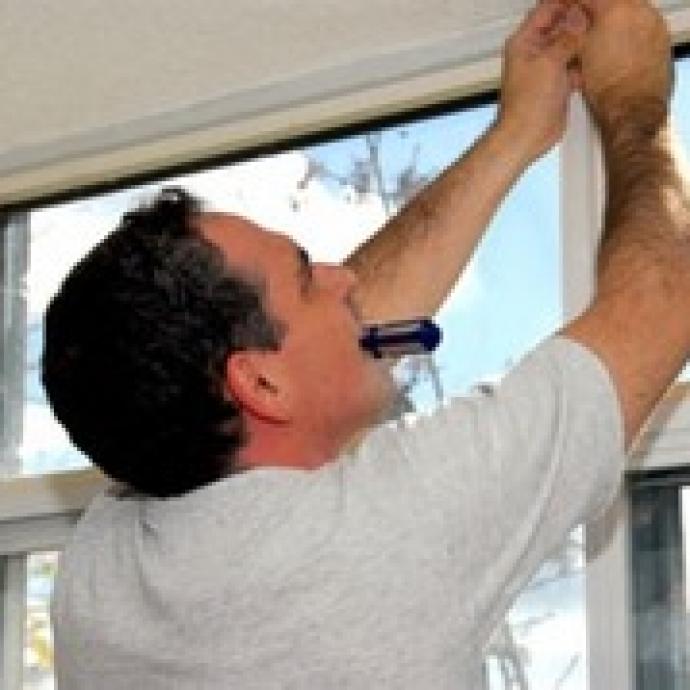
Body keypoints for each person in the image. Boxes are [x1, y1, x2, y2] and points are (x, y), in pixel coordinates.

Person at [43, 0, 689, 686]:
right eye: (306, 277)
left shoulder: (99, 576)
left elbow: (301, 352)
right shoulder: (384, 533)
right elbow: (661, 300)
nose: (343, 276)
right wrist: (634, 102)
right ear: (258, 386)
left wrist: (516, 134)